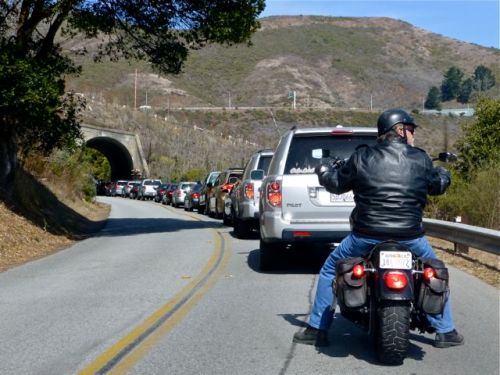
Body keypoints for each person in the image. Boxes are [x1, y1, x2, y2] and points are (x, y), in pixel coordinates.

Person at [293, 109, 464, 349]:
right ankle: (446, 331)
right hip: (411, 236)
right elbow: (437, 186)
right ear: (399, 129)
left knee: (330, 269)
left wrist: (323, 171)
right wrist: (444, 174)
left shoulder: (362, 156)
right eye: (411, 129)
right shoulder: (422, 159)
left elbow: (336, 184)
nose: (413, 135)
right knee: (436, 271)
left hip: (366, 235)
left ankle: (316, 329)